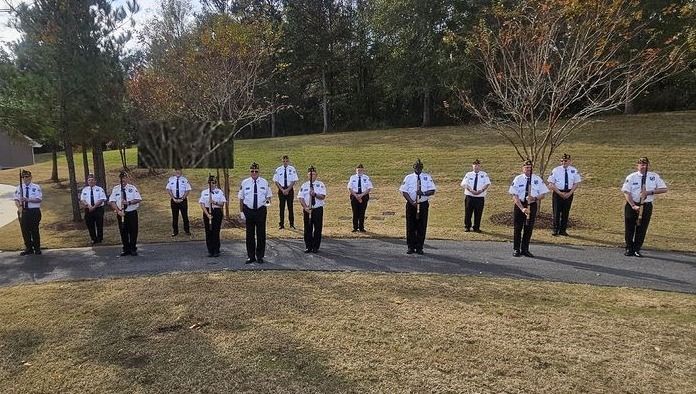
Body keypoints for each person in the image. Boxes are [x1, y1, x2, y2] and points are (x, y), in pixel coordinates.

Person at [622, 157, 667, 257]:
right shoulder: (632, 177)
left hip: (646, 205)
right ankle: (629, 248)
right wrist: (633, 205)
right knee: (629, 227)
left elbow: (664, 189)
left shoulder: (654, 176)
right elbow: (626, 192)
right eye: (641, 164)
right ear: (637, 166)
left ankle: (637, 249)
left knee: (642, 228)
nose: (643, 166)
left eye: (645, 164)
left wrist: (649, 192)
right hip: (632, 205)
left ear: (648, 166)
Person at [509, 160, 549, 257]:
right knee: (518, 228)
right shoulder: (518, 179)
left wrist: (534, 198)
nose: (528, 170)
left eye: (530, 168)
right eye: (526, 168)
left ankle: (525, 249)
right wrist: (522, 208)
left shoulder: (537, 179)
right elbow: (514, 196)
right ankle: (516, 249)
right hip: (520, 205)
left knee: (529, 228)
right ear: (523, 168)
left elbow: (543, 194)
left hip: (532, 204)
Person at [400, 159, 437, 255]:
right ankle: (410, 247)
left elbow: (432, 190)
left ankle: (419, 247)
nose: (418, 169)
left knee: (422, 226)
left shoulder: (427, 177)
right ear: (413, 168)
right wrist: (412, 202)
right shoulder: (408, 178)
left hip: (423, 204)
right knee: (410, 225)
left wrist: (423, 193)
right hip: (411, 204)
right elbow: (404, 191)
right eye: (416, 167)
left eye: (420, 167)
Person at [239, 162, 272, 264]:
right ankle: (251, 256)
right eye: (252, 171)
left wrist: (266, 206)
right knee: (250, 235)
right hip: (248, 211)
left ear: (259, 172)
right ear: (250, 172)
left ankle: (260, 256)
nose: (254, 173)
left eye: (256, 171)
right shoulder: (245, 183)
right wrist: (241, 212)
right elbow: (241, 198)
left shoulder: (264, 182)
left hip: (260, 211)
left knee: (261, 234)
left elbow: (268, 196)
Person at [109, 171, 142, 257]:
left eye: (124, 178)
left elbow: (138, 199)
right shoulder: (116, 189)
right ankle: (126, 249)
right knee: (123, 232)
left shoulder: (132, 188)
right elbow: (112, 202)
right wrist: (118, 211)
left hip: (131, 213)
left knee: (133, 231)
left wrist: (129, 202)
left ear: (127, 178)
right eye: (121, 178)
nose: (123, 180)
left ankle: (133, 249)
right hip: (121, 214)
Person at [547, 153, 582, 236]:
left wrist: (570, 193)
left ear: (570, 161)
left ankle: (563, 230)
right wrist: (559, 193)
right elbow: (551, 183)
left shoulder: (574, 170)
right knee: (556, 212)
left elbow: (576, 183)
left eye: (566, 161)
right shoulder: (556, 170)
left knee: (565, 212)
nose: (564, 162)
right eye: (562, 161)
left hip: (569, 193)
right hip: (557, 193)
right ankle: (555, 230)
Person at [298, 166, 327, 253]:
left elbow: (322, 197)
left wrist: (314, 194)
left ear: (316, 175)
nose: (312, 176)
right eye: (310, 174)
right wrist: (305, 207)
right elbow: (300, 197)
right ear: (307, 175)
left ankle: (315, 247)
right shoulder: (304, 185)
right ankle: (308, 246)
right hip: (307, 209)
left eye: (313, 174)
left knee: (317, 228)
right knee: (307, 228)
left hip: (317, 209)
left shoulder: (320, 184)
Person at [14, 170, 42, 255]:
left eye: (27, 176)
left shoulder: (36, 187)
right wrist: (19, 207)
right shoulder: (19, 187)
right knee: (25, 230)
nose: (25, 178)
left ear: (30, 177)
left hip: (34, 211)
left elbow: (39, 199)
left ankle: (37, 248)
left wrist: (27, 199)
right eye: (23, 177)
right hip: (23, 211)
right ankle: (29, 248)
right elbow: (16, 199)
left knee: (34, 230)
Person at [460, 159, 491, 233]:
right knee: (468, 212)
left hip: (480, 197)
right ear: (472, 166)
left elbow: (487, 184)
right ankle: (467, 226)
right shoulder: (468, 174)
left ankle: (476, 227)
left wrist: (481, 190)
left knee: (478, 213)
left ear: (480, 166)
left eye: (478, 166)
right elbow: (464, 184)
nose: (476, 167)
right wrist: (471, 190)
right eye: (475, 166)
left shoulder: (484, 174)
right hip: (469, 196)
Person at [200, 175, 227, 258]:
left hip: (217, 212)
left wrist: (214, 202)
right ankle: (210, 250)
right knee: (208, 232)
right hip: (207, 212)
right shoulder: (204, 192)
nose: (213, 184)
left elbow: (222, 204)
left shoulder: (219, 192)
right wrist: (207, 215)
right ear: (208, 183)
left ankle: (216, 250)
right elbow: (202, 204)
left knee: (216, 231)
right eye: (211, 182)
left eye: (214, 182)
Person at [79, 173, 107, 245]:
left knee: (99, 224)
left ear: (95, 181)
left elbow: (102, 199)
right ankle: (93, 239)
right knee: (90, 224)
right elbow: (82, 199)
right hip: (88, 209)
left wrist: (94, 207)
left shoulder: (99, 189)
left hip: (98, 209)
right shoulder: (85, 190)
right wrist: (88, 206)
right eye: (89, 180)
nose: (91, 181)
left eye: (92, 180)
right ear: (87, 181)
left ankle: (99, 239)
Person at [273, 155, 299, 229]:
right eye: (284, 161)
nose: (285, 162)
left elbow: (294, 180)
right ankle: (281, 224)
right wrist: (282, 190)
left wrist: (287, 189)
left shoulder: (292, 169)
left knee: (290, 207)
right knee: (281, 207)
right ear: (282, 161)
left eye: (286, 161)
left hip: (289, 189)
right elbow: (276, 181)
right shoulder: (278, 169)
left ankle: (291, 224)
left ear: (288, 161)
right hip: (281, 190)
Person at [347, 164, 373, 232]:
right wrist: (356, 196)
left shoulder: (366, 178)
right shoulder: (352, 177)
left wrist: (361, 195)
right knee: (355, 212)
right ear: (356, 170)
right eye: (358, 170)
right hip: (354, 196)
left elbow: (369, 188)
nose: (359, 171)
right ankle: (355, 227)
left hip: (364, 196)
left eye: (361, 170)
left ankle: (361, 227)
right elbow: (349, 188)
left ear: (363, 170)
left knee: (362, 212)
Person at [166, 167, 192, 237]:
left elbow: (188, 190)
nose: (178, 172)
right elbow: (168, 189)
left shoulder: (184, 180)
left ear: (181, 171)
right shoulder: (171, 179)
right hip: (174, 200)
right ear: (174, 171)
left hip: (183, 200)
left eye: (179, 170)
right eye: (176, 170)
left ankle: (187, 231)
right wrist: (173, 198)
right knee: (175, 216)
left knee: (185, 216)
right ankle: (175, 231)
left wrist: (183, 198)